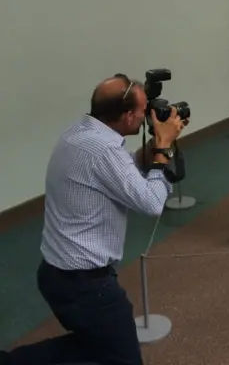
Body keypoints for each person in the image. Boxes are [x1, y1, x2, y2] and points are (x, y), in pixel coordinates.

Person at [1, 74, 187, 365]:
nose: (146, 115)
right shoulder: (103, 151)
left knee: (97, 348)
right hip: (84, 284)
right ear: (127, 116)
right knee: (120, 357)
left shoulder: (81, 133)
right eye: (142, 111)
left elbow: (124, 170)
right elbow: (151, 203)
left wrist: (156, 145)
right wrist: (163, 147)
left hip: (58, 274)